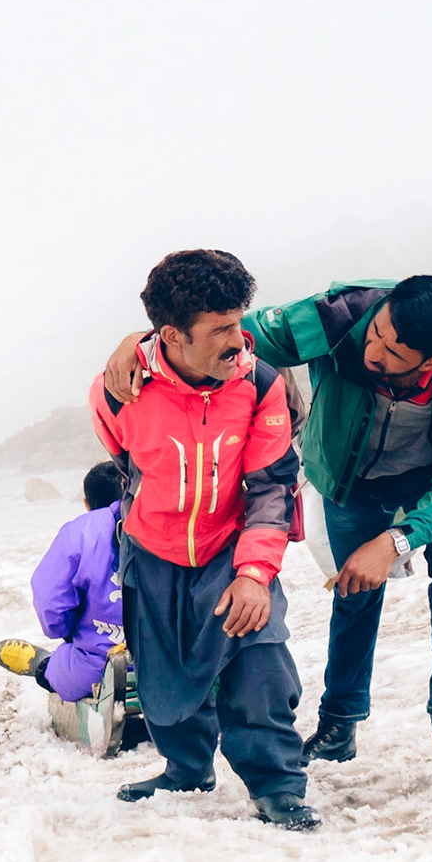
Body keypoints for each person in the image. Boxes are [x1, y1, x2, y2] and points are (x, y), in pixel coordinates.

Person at [104, 274, 432, 779]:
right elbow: (227, 337)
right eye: (376, 333)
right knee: (354, 591)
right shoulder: (341, 314)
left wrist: (394, 542)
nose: (372, 351)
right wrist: (142, 342)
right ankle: (339, 724)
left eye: (391, 353)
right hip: (349, 477)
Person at [94, 250, 317, 830]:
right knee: (162, 676)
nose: (237, 340)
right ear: (172, 335)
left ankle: (278, 787)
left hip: (230, 546)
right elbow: (126, 463)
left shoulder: (261, 384)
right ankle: (186, 769)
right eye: (220, 329)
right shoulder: (118, 390)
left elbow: (271, 486)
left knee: (261, 663)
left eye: (237, 322)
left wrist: (254, 574)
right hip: (153, 551)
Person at [0, 463, 129, 702]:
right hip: (171, 661)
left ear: (86, 503)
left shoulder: (78, 533)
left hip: (97, 665)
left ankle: (43, 666)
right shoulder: (165, 524)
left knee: (60, 670)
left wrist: (69, 632)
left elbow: (51, 605)